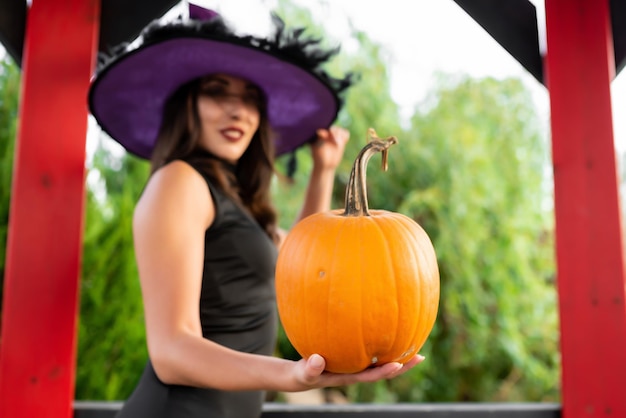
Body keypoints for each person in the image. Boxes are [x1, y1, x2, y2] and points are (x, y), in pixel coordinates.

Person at [88, 4, 424, 417]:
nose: (237, 111)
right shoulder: (179, 182)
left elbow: (310, 267)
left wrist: (323, 172)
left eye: (250, 99)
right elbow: (171, 351)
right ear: (186, 105)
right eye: (217, 91)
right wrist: (290, 375)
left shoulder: (235, 201)